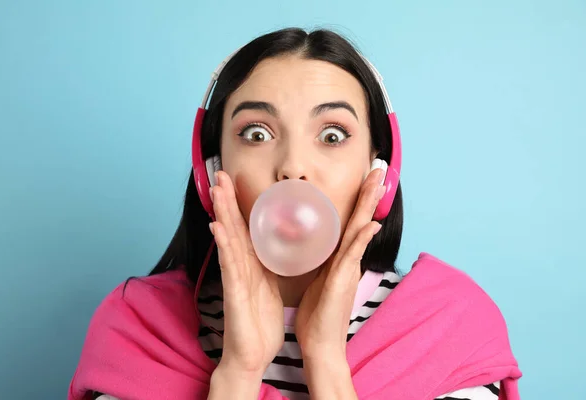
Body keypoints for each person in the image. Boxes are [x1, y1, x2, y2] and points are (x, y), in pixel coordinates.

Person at [68, 27, 522, 400]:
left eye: (331, 135)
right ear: (212, 171)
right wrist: (239, 373)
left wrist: (325, 359)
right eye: (257, 133)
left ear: (378, 172)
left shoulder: (446, 328)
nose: (292, 168)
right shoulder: (142, 328)